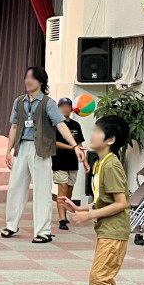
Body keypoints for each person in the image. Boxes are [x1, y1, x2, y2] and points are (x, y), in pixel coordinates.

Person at [59, 115, 132, 285]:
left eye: (98, 131)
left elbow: (122, 203)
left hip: (114, 231)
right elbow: (102, 201)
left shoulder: (111, 165)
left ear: (110, 139)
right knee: (105, 277)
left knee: (99, 278)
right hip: (106, 229)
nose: (92, 134)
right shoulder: (101, 163)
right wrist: (79, 207)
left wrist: (88, 216)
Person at [1, 67, 85, 243]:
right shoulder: (19, 102)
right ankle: (11, 225)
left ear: (40, 81)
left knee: (42, 190)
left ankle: (43, 231)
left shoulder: (48, 103)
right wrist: (9, 150)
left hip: (41, 150)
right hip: (22, 148)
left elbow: (61, 125)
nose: (27, 80)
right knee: (15, 187)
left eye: (32, 77)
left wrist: (75, 145)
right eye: (26, 77)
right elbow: (14, 127)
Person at [52, 97, 90, 230]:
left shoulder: (76, 125)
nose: (65, 109)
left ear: (72, 109)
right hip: (59, 161)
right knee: (62, 188)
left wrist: (85, 161)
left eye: (67, 106)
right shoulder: (56, 125)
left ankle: (65, 212)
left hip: (73, 162)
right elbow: (56, 143)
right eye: (62, 106)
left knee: (69, 190)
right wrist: (73, 147)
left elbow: (80, 144)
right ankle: (62, 219)